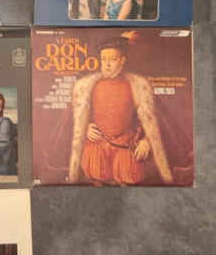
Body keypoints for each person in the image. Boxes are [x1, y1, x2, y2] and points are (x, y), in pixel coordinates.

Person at [68, 36, 173, 185]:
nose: (107, 64)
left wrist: (147, 140)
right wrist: (86, 128)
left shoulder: (138, 86)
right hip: (96, 147)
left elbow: (151, 120)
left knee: (128, 180)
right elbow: (77, 118)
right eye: (104, 59)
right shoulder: (86, 86)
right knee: (96, 179)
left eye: (113, 59)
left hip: (126, 147)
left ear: (122, 60)